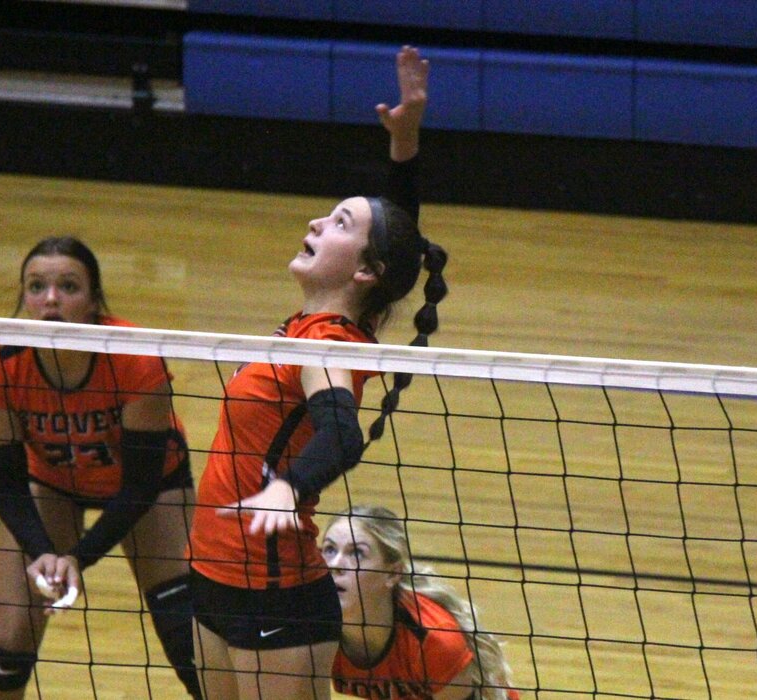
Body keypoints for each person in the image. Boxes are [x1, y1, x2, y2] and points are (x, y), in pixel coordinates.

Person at [186, 45, 448, 699]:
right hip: (212, 575)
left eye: (336, 223)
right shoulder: (317, 324)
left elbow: (342, 437)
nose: (314, 221)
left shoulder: (326, 343)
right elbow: (392, 245)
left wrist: (287, 488)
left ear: (363, 272)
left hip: (275, 595)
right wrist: (405, 148)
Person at [0, 237, 201, 699]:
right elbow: (8, 488)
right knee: (7, 649)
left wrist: (77, 556)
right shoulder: (1, 365)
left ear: (94, 300)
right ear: (24, 298)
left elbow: (138, 486)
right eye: (37, 287)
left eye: (68, 286)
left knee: (189, 639)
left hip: (150, 489)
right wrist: (43, 553)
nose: (50, 298)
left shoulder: (134, 359)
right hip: (50, 485)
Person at [322, 506, 520, 700]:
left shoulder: (434, 638)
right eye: (329, 550)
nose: (335, 565)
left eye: (356, 553)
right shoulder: (309, 627)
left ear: (392, 573)